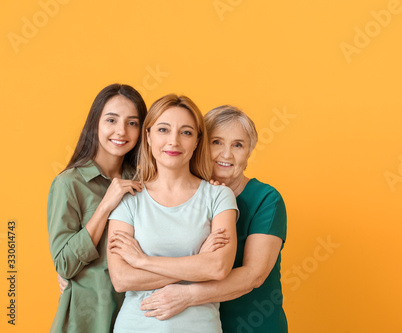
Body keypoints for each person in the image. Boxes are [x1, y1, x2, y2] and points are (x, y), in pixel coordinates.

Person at [139, 105, 288, 332]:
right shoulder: (182, 196)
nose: (226, 154)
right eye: (216, 142)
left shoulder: (266, 199)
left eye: (238, 145)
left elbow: (254, 275)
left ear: (249, 152)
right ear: (199, 144)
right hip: (198, 325)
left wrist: (187, 294)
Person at [106, 94, 239, 332]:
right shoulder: (128, 199)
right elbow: (122, 279)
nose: (174, 141)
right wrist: (197, 264)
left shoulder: (219, 196)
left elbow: (218, 268)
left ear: (198, 140)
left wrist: (142, 261)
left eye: (186, 132)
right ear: (147, 136)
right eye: (163, 130)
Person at [47, 83, 147, 332]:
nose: (121, 131)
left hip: (137, 314)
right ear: (95, 124)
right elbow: (65, 265)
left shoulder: (145, 182)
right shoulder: (69, 183)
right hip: (87, 319)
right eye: (111, 120)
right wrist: (105, 206)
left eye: (132, 123)